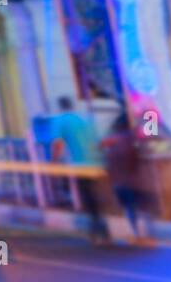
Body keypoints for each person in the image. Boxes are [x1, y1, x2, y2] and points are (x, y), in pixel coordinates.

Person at [51, 96, 109, 243]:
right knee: (95, 195)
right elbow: (99, 142)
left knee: (87, 196)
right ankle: (101, 226)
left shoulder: (60, 120)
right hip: (97, 163)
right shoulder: (84, 119)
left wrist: (54, 161)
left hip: (81, 165)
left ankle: (97, 228)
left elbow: (58, 144)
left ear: (60, 107)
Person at [100, 115, 151, 245]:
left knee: (130, 208)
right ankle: (142, 234)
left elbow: (106, 158)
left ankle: (135, 233)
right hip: (134, 181)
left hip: (121, 182)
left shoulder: (112, 141)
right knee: (139, 207)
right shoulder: (133, 138)